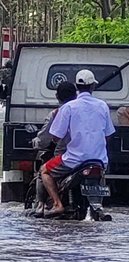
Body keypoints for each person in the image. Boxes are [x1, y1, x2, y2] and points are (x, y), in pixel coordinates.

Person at [40, 69, 115, 217]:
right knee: (101, 176)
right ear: (93, 86)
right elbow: (108, 135)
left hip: (73, 160)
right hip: (99, 160)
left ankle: (57, 204)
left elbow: (55, 137)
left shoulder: (69, 107)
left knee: (45, 171)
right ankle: (97, 207)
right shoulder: (103, 106)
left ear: (77, 87)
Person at [31, 82, 77, 217]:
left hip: (67, 157)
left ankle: (43, 206)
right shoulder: (86, 111)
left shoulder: (57, 113)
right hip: (92, 156)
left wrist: (37, 143)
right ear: (75, 95)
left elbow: (46, 138)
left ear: (57, 96)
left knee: (43, 171)